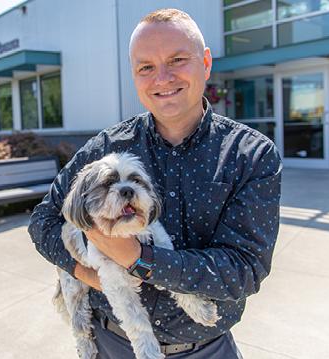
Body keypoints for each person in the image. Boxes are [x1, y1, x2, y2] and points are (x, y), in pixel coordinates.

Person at [29, 8, 282, 359]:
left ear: (206, 63)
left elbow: (244, 270)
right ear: (134, 75)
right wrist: (86, 273)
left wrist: (139, 259)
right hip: (112, 344)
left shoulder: (250, 155)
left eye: (177, 60)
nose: (162, 78)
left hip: (207, 348)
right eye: (146, 67)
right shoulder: (105, 148)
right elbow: (43, 222)